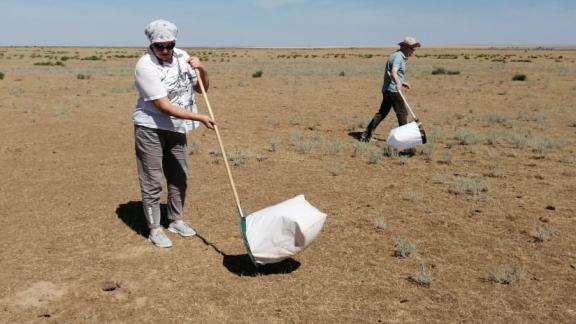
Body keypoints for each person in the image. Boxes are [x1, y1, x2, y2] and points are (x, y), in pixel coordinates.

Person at [133, 19, 216, 248]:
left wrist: (202, 69)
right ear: (152, 44)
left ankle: (176, 219)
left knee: (179, 176)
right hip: (151, 126)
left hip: (178, 126)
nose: (166, 50)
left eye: (170, 44)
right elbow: (163, 106)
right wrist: (199, 117)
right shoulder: (145, 66)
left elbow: (202, 88)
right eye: (160, 46)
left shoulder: (182, 56)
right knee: (152, 179)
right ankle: (155, 228)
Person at [360, 37, 421, 142]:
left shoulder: (396, 55)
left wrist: (402, 82)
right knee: (402, 113)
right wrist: (398, 83)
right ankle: (404, 139)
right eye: (412, 48)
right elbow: (393, 71)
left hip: (388, 89)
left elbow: (392, 73)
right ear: (405, 47)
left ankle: (366, 135)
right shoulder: (398, 57)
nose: (413, 51)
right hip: (393, 90)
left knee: (382, 113)